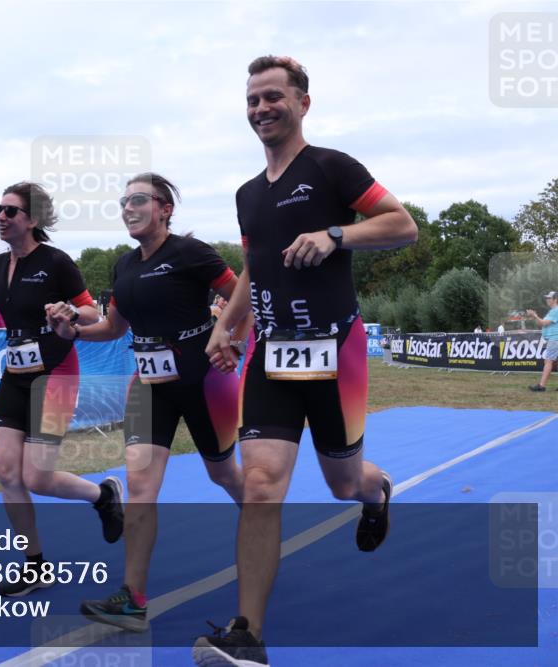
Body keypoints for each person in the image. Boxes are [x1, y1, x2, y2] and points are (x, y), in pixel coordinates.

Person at [193, 56, 418, 666]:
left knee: (343, 482)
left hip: (334, 350)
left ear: (302, 103)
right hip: (270, 354)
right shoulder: (246, 194)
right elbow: (255, 267)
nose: (261, 108)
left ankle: (377, 493)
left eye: (273, 97)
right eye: (252, 100)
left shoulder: (331, 167)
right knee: (261, 485)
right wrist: (226, 324)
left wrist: (336, 235)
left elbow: (404, 225)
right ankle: (247, 637)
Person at [45, 173, 248, 633]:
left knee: (222, 472)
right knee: (140, 485)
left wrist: (231, 339)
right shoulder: (124, 266)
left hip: (203, 380)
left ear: (164, 208)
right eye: (123, 202)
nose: (127, 208)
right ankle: (132, 598)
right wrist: (71, 331)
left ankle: (260, 520)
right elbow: (115, 328)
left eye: (138, 200)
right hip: (149, 384)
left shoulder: (191, 253)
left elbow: (242, 297)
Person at [0, 181, 124, 597]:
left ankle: (101, 494)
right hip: (15, 375)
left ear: (32, 219)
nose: (0, 217)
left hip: (57, 374)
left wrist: (68, 310)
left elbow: (88, 309)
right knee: (7, 472)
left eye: (9, 211)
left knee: (38, 476)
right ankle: (34, 565)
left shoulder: (56, 261)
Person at [527, 291, 558, 392]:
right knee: (552, 362)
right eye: (547, 298)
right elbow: (542, 324)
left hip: (554, 339)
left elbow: (544, 323)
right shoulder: (553, 311)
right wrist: (534, 316)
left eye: (549, 298)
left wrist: (535, 315)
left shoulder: (555, 311)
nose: (547, 300)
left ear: (555, 299)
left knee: (548, 361)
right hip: (554, 339)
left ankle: (541, 386)